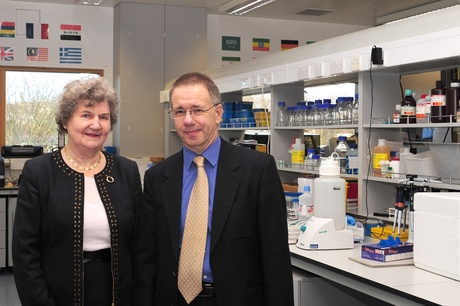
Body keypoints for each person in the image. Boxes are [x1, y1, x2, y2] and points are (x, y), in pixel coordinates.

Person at [134, 72, 294, 305]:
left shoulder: (257, 170)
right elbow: (146, 258)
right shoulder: (157, 178)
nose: (188, 120)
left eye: (197, 110)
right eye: (180, 112)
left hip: (236, 298)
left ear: (218, 113)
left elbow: (275, 256)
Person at [12, 76, 143, 306]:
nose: (96, 124)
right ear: (65, 120)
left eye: (104, 117)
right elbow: (25, 253)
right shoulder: (39, 172)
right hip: (57, 293)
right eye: (86, 115)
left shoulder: (127, 171)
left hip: (118, 293)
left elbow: (139, 246)